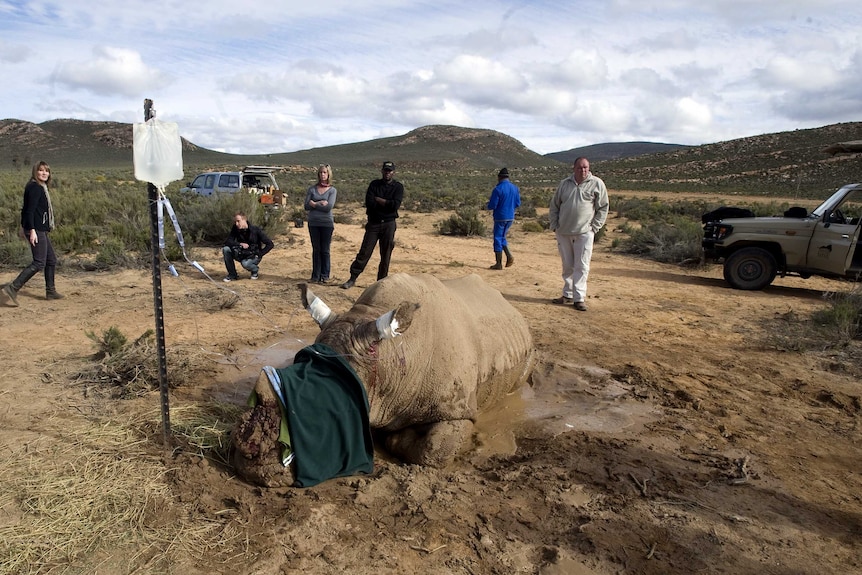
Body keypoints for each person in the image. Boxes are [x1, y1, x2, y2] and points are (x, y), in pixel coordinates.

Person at [548, 157, 609, 311]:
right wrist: (555, 225)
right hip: (564, 231)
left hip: (584, 232)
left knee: (581, 265)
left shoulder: (596, 183)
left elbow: (603, 207)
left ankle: (579, 297)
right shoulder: (565, 184)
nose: (583, 170)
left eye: (586, 167)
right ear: (573, 168)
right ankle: (567, 294)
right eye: (580, 168)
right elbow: (555, 205)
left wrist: (595, 227)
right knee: (567, 265)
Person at [2, 161, 63, 306]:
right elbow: (29, 210)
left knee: (51, 260)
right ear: (35, 172)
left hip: (37, 228)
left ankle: (50, 291)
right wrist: (32, 230)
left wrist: (23, 226)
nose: (44, 173)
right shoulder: (36, 188)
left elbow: (25, 209)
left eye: (46, 171)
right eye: (41, 170)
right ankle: (13, 287)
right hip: (37, 229)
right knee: (39, 262)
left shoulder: (37, 186)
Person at [340, 161, 404, 289]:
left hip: (389, 224)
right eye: (385, 170)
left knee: (386, 254)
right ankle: (353, 278)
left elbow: (395, 205)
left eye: (390, 171)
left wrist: (380, 200)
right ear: (382, 171)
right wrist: (387, 204)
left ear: (393, 172)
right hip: (374, 223)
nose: (387, 173)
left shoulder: (398, 187)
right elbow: (369, 203)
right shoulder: (374, 184)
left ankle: (381, 282)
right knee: (365, 251)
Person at [304, 163, 337, 283]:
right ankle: (315, 276)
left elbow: (328, 207)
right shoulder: (312, 189)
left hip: (326, 223)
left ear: (328, 174)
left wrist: (314, 204)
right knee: (316, 249)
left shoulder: (332, 190)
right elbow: (306, 206)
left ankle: (325, 275)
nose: (323, 175)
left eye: (325, 172)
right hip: (313, 223)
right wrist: (320, 203)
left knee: (325, 250)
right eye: (321, 172)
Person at [222, 212, 273, 282]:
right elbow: (228, 241)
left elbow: (270, 244)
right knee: (226, 249)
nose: (236, 224)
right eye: (235, 222)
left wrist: (260, 254)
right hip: (241, 253)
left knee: (245, 264)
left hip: (254, 256)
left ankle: (255, 270)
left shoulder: (255, 230)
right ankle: (232, 274)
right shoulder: (235, 229)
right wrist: (240, 244)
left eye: (238, 221)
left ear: (244, 219)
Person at [486, 167, 521, 269]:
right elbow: (518, 203)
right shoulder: (515, 188)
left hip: (500, 216)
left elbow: (493, 205)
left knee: (497, 238)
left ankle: (499, 263)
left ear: (499, 177)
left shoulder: (498, 189)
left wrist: (489, 205)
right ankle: (508, 256)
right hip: (510, 216)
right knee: (503, 237)